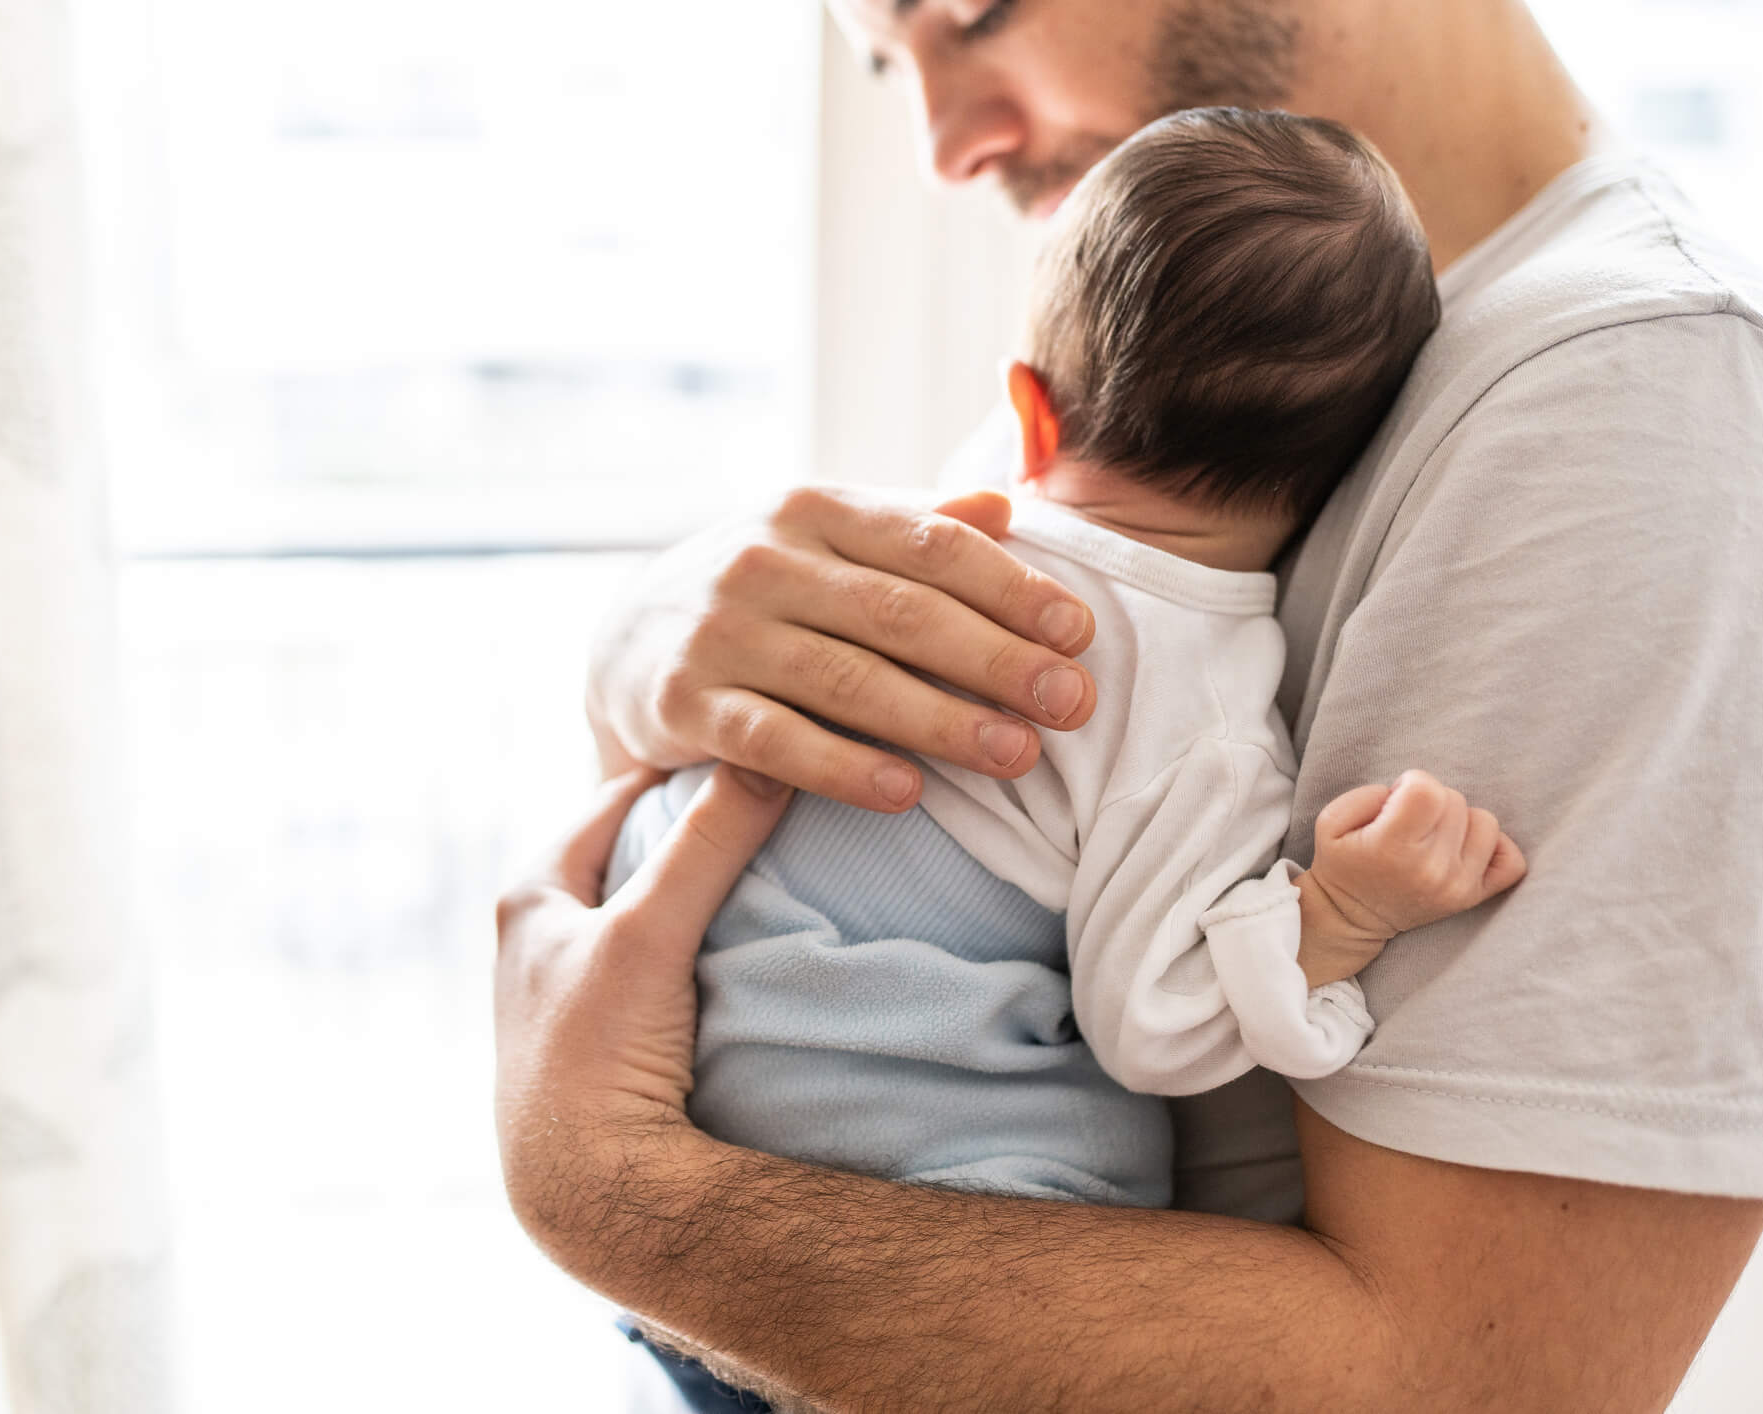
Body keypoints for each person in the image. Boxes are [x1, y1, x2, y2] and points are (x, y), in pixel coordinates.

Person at [494, 1, 1763, 1408]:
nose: (939, 142)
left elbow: (1471, 1385)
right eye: (881, 59)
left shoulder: (1628, 401)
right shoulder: (1194, 316)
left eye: (971, 11)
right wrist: (643, 648)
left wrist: (600, 1186)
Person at [604, 107, 1528, 1413]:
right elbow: (1154, 1022)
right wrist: (1334, 915)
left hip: (697, 1143)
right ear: (1338, 477)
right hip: (900, 1188)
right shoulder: (1193, 713)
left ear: (1027, 414)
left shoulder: (911, 562)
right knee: (1101, 1164)